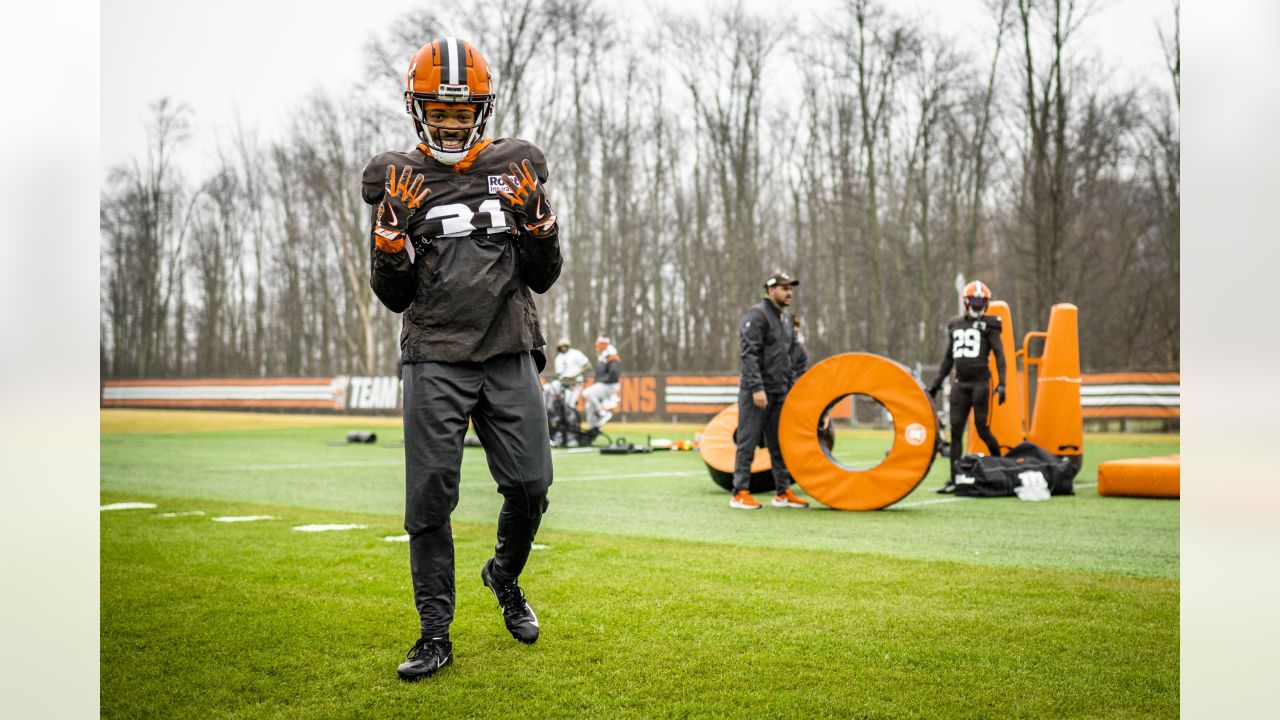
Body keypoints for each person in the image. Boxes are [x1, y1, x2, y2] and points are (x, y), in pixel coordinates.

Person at [362, 37, 561, 681]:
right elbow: (394, 296)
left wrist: (540, 226)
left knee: (532, 486)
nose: (450, 121)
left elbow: (544, 275)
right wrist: (390, 244)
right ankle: (434, 634)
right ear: (419, 110)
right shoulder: (398, 176)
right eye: (439, 111)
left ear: (483, 107)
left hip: (507, 347)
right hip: (436, 355)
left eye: (461, 110)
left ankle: (503, 574)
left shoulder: (517, 166)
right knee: (429, 499)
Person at [730, 272, 810, 510]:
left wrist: (792, 384)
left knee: (780, 443)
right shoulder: (757, 315)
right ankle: (739, 492)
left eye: (791, 289)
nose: (789, 293)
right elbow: (749, 354)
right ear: (770, 290)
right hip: (757, 392)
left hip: (780, 390)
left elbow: (793, 356)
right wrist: (757, 388)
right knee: (748, 441)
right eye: (784, 288)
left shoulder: (787, 320)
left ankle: (783, 491)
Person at [926, 280, 1008, 494]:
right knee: (956, 433)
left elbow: (1000, 355)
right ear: (966, 302)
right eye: (975, 300)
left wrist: (1002, 384)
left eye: (982, 301)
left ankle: (1002, 470)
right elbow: (947, 360)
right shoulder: (955, 324)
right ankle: (955, 478)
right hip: (960, 385)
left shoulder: (990, 325)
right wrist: (935, 385)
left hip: (981, 384)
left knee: (982, 429)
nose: (978, 305)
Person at [547, 339, 590, 446]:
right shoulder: (559, 358)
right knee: (556, 405)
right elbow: (560, 374)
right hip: (563, 385)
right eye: (561, 346)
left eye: (565, 345)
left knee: (569, 408)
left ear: (568, 345)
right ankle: (558, 435)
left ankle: (572, 437)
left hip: (575, 385)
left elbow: (588, 366)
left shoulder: (576, 353)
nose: (563, 347)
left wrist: (575, 376)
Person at [582, 336, 621, 430]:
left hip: (610, 385)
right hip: (604, 385)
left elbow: (614, 374)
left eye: (598, 346)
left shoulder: (612, 356)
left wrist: (600, 381)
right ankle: (593, 428)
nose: (597, 348)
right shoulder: (604, 356)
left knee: (586, 393)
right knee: (589, 406)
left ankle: (602, 413)